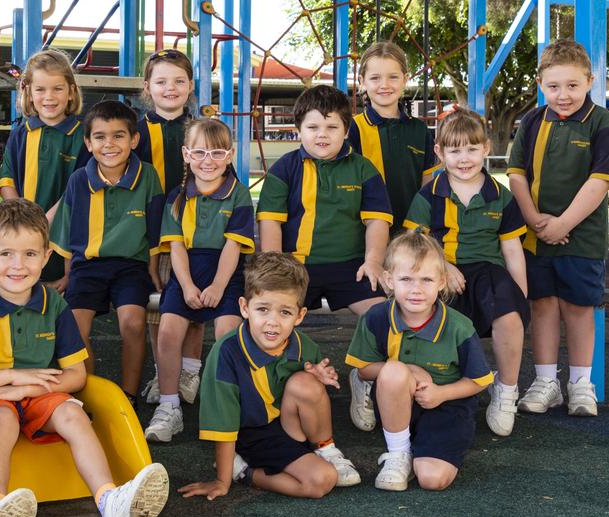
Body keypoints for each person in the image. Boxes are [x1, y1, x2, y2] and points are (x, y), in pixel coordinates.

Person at [0, 199, 168, 517]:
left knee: (73, 414)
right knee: (3, 416)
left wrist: (27, 386)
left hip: (38, 390)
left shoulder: (54, 304)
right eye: (6, 254)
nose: (17, 265)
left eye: (29, 254)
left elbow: (75, 375)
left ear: (45, 257)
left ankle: (109, 503)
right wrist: (10, 378)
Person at [180, 252, 361, 500]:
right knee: (321, 481)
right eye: (263, 309)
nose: (272, 322)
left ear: (300, 315)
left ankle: (326, 449)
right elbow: (224, 425)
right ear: (244, 308)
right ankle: (243, 471)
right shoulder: (226, 353)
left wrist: (320, 377)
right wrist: (222, 481)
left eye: (285, 312)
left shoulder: (303, 345)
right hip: (250, 433)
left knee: (306, 382)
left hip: (287, 424)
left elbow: (311, 396)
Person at [506, 39, 609, 416]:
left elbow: (600, 182)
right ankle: (545, 381)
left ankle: (580, 382)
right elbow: (517, 174)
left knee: (578, 308)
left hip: (581, 237)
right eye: (554, 86)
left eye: (573, 85)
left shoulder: (601, 123)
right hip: (537, 236)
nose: (563, 94)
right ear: (540, 83)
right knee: (541, 306)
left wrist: (563, 224)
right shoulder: (532, 121)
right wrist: (533, 218)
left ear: (590, 81)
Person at [402, 110, 529, 436]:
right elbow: (417, 241)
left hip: (488, 270)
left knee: (510, 317)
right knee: (426, 319)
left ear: (486, 148)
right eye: (455, 151)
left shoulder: (501, 196)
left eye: (471, 149)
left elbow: (512, 250)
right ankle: (429, 384)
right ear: (440, 153)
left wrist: (520, 297)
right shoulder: (429, 194)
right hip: (439, 268)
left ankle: (506, 389)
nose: (463, 158)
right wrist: (444, 265)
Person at [346, 230, 493, 491]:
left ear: (441, 281)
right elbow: (364, 368)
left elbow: (480, 380)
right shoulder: (376, 317)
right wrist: (409, 369)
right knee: (393, 372)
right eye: (406, 279)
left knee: (431, 479)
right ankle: (399, 453)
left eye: (426, 279)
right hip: (398, 399)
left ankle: (425, 450)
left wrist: (440, 393)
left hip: (448, 404)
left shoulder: (459, 327)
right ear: (389, 280)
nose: (416, 289)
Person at [144, 119, 255, 443]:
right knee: (167, 332)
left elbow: (233, 247)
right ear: (186, 154)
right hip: (186, 274)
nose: (208, 160)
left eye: (217, 152)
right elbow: (176, 247)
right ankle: (169, 407)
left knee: (226, 334)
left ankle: (224, 406)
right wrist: (189, 286)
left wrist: (219, 287)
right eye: (200, 152)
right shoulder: (177, 198)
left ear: (231, 154)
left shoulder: (239, 194)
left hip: (226, 273)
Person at [51, 100, 166, 400]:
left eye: (118, 135)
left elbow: (155, 226)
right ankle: (90, 393)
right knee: (75, 326)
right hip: (88, 267)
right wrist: (69, 274)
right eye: (100, 137)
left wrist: (153, 268)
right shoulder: (79, 181)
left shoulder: (148, 176)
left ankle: (127, 395)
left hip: (132, 267)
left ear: (134, 140)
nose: (109, 144)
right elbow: (67, 229)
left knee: (133, 323)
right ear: (88, 143)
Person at [257, 84, 393, 315]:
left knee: (383, 316)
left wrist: (373, 262)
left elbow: (377, 221)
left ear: (347, 130)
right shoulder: (284, 168)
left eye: (332, 127)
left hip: (351, 266)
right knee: (272, 315)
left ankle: (370, 352)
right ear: (299, 129)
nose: (322, 134)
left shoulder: (363, 169)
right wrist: (276, 267)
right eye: (312, 127)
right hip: (295, 265)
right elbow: (270, 222)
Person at [136, 49, 207, 408]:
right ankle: (162, 369)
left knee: (193, 302)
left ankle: (189, 370)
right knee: (159, 305)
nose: (171, 88)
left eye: (179, 81)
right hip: (151, 233)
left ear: (191, 86)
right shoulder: (135, 131)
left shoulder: (201, 129)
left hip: (195, 232)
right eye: (162, 81)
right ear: (147, 87)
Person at [0, 49, 90, 289]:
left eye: (57, 88)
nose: (49, 97)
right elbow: (7, 180)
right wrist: (22, 218)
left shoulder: (83, 135)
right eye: (40, 89)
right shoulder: (20, 134)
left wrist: (44, 220)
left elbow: (79, 186)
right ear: (28, 93)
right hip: (24, 229)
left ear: (71, 92)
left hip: (64, 231)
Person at [348, 41, 437, 229]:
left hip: (410, 232)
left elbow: (426, 186)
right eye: (375, 78)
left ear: (405, 79)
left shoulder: (420, 131)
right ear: (362, 81)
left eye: (393, 77)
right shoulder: (353, 129)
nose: (384, 85)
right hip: (365, 234)